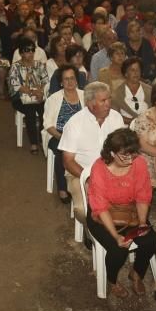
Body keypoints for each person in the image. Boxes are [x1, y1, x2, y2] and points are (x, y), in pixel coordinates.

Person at [86, 129, 156, 298]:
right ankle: (112, 281)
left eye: (133, 154)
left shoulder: (138, 163)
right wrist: (116, 236)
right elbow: (101, 207)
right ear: (112, 152)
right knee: (118, 250)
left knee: (150, 241)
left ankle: (136, 274)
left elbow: (142, 195)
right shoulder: (99, 168)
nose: (130, 159)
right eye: (125, 155)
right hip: (103, 215)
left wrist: (141, 223)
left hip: (129, 212)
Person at [60, 81, 126, 224]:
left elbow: (123, 149)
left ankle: (114, 235)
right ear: (90, 103)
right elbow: (68, 161)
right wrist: (90, 179)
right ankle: (91, 233)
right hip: (81, 174)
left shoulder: (116, 118)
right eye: (103, 100)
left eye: (109, 98)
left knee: (127, 204)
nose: (108, 103)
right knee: (85, 210)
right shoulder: (75, 123)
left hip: (112, 172)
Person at [43, 65, 84, 203]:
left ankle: (84, 184)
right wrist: (63, 138)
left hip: (81, 135)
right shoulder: (53, 99)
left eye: (72, 78)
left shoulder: (85, 96)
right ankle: (62, 188)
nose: (70, 82)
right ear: (61, 82)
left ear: (77, 80)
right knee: (62, 150)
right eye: (66, 79)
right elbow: (48, 124)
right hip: (58, 134)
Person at [8, 38, 50, 154]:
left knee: (44, 109)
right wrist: (32, 92)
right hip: (21, 98)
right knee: (30, 111)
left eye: (32, 50)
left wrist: (40, 92)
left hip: (38, 96)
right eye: (27, 51)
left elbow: (46, 81)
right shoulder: (15, 67)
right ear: (21, 53)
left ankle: (43, 137)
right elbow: (15, 86)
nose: (30, 53)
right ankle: (34, 143)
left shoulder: (39, 65)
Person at [110, 57, 152, 125]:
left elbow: (155, 110)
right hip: (125, 128)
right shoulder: (117, 94)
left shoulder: (149, 90)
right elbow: (115, 116)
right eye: (132, 70)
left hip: (148, 125)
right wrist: (134, 122)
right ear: (125, 73)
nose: (136, 73)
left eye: (138, 70)